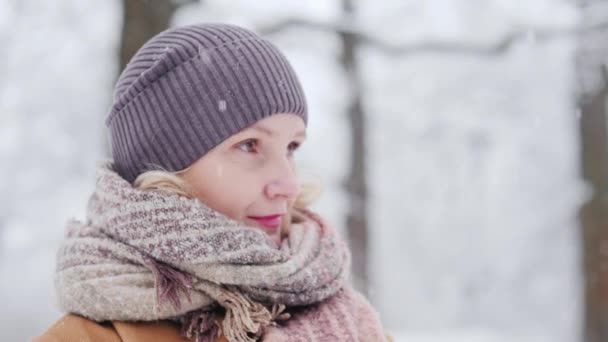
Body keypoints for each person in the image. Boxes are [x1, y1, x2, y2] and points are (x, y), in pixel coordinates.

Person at [34, 23, 388, 342]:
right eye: (249, 146)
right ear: (166, 170)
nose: (287, 185)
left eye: (291, 147)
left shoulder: (353, 320)